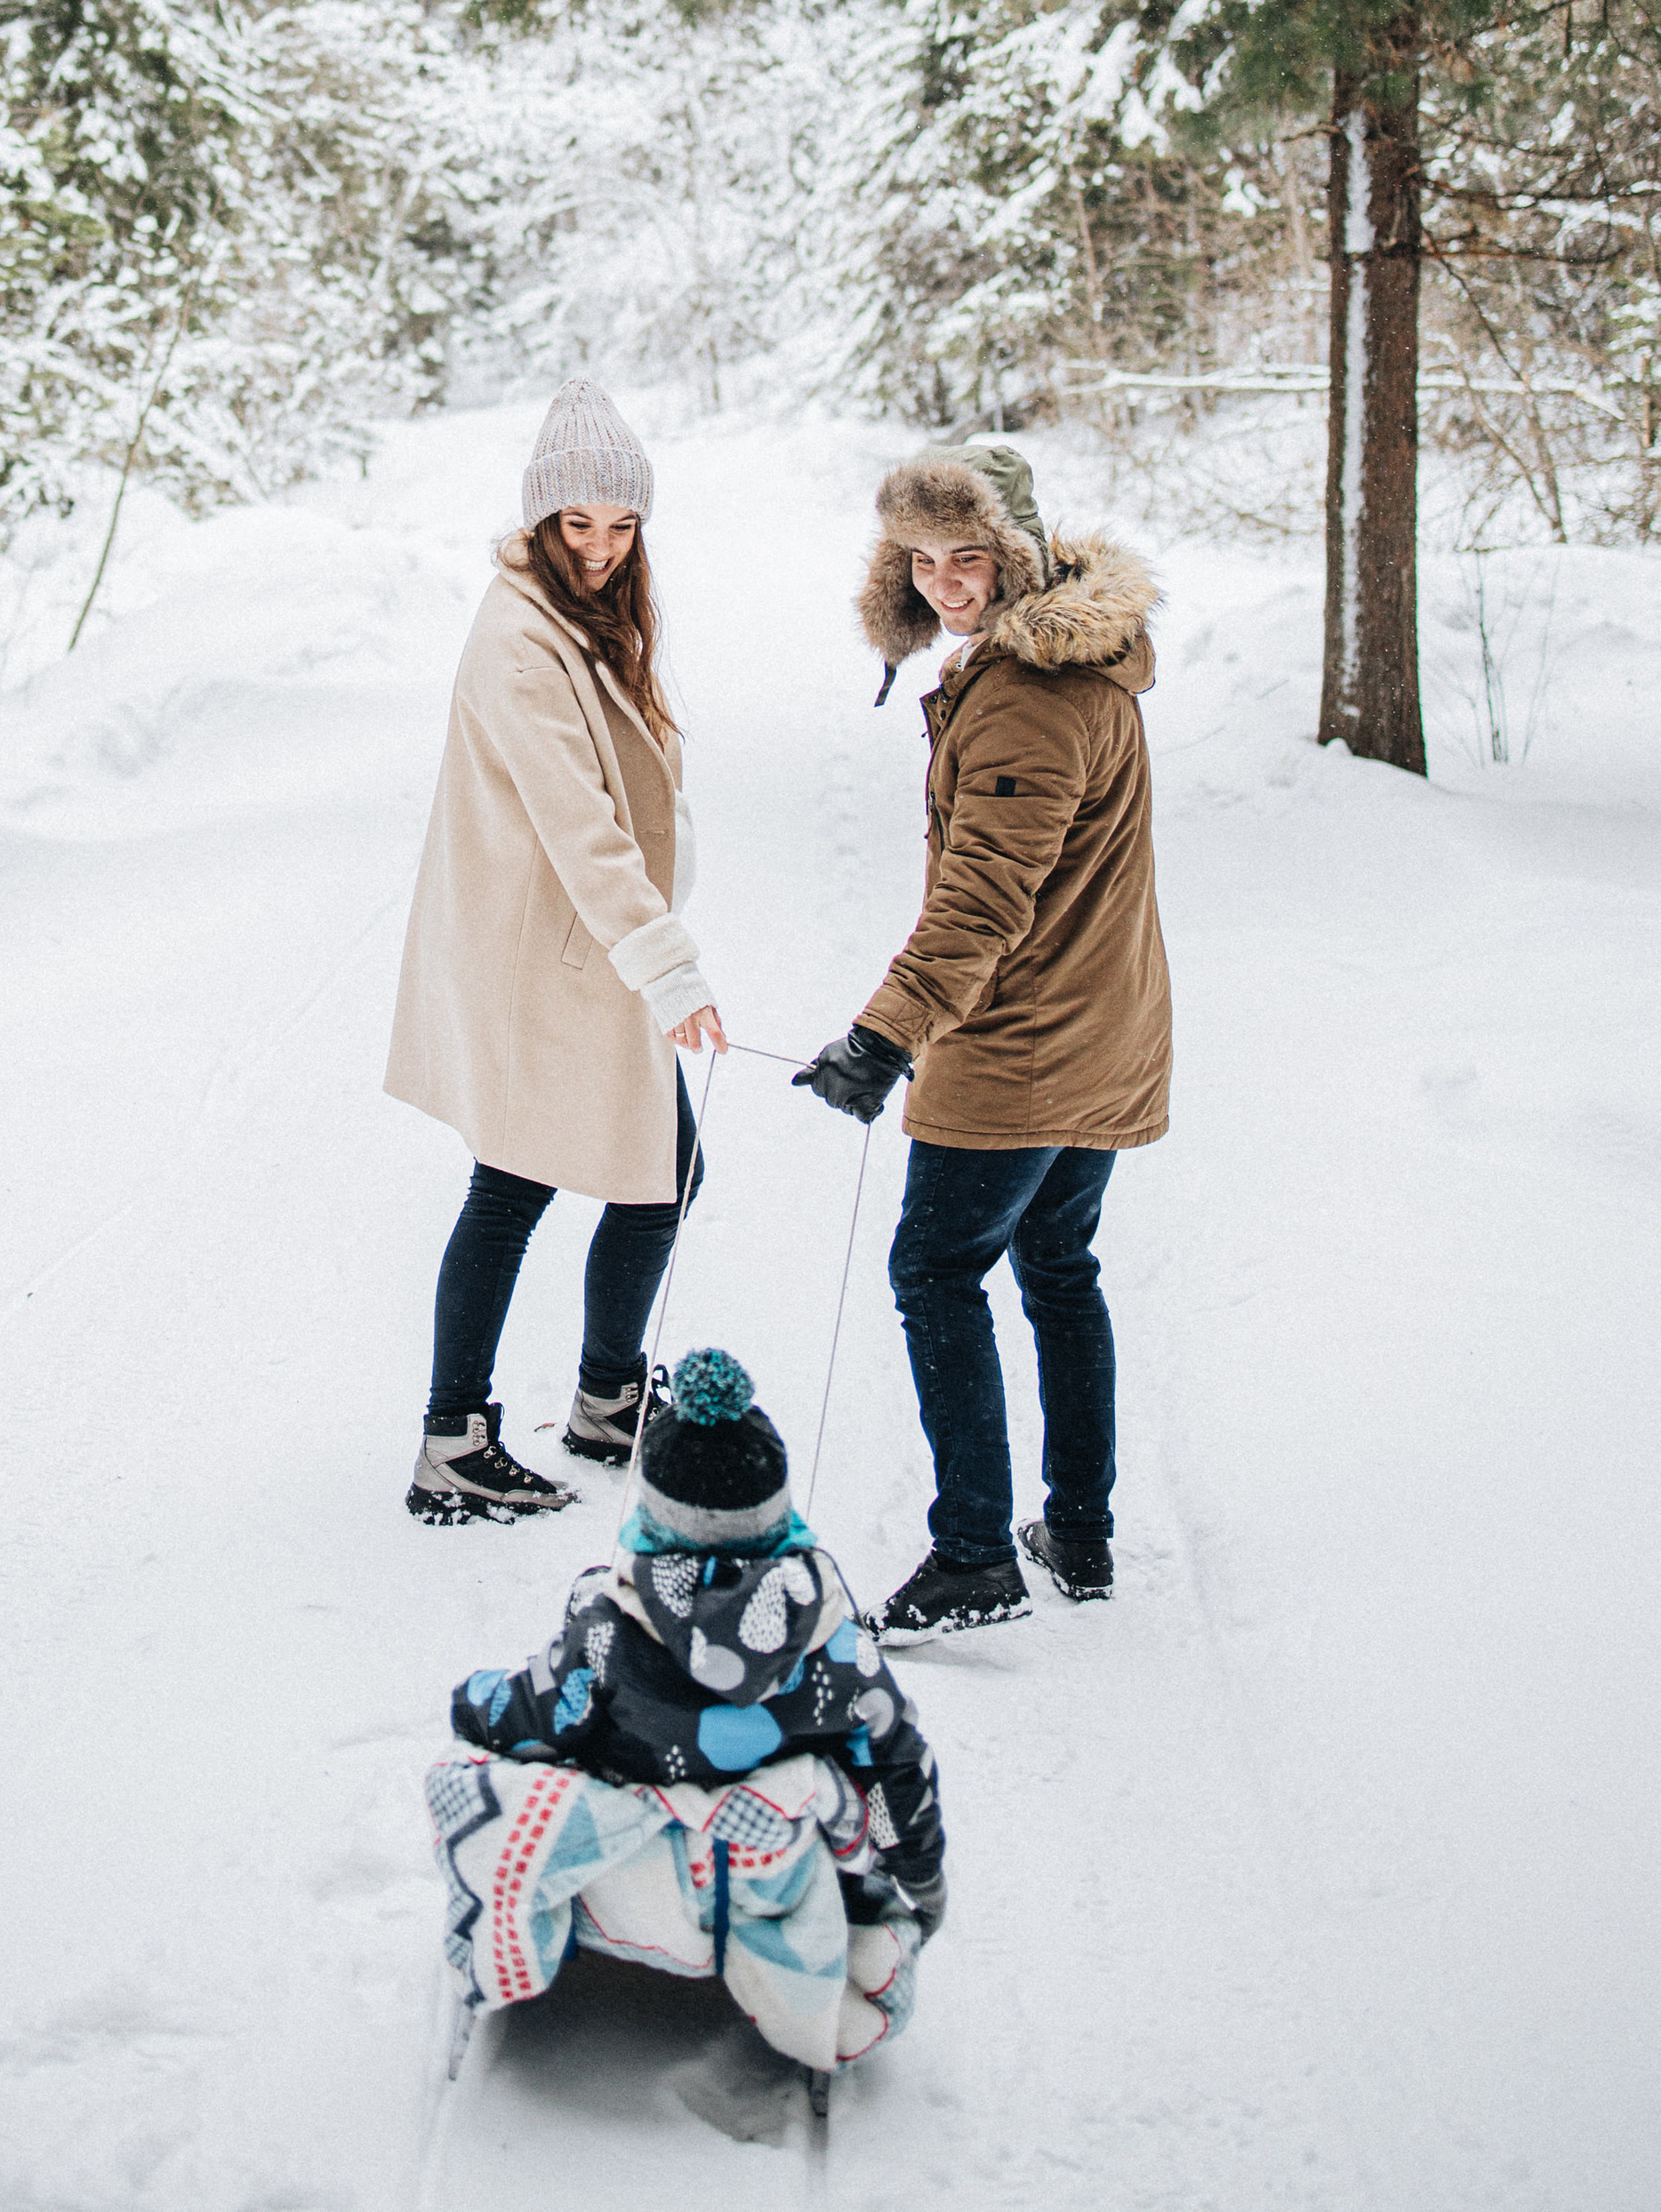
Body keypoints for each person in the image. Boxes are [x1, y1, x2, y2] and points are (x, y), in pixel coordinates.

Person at [794, 438, 1170, 1641]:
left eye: (967, 557)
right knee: (1058, 1269)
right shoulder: (1080, 662)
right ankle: (1078, 1531)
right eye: (920, 560)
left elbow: (981, 902)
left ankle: (971, 1556)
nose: (945, 582)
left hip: (1022, 1050)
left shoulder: (1024, 700)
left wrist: (882, 1038)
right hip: (1101, 1033)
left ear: (1019, 552)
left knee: (934, 1271)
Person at [385, 378, 726, 1525]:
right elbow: (582, 826)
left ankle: (603, 1401)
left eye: (620, 524)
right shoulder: (522, 641)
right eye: (576, 522)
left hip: (577, 953)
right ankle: (456, 1439)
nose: (598, 546)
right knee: (518, 1183)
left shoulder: (583, 614)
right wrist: (667, 966)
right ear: (540, 516)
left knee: (655, 1170)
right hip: (546, 958)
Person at [427, 1349, 945, 2067]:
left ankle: (527, 1933)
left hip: (626, 1889)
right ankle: (832, 1964)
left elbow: (527, 1715)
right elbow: (898, 1764)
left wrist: (473, 1704)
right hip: (768, 1890)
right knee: (849, 1799)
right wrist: (920, 1880)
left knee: (498, 1775)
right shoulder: (834, 1648)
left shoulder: (609, 1634)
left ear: (655, 1516)